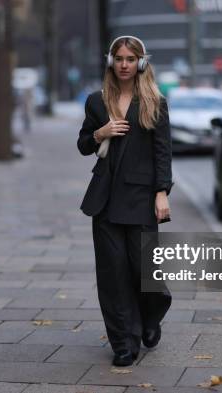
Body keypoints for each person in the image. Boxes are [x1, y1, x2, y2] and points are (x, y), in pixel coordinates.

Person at [77, 36, 173, 367]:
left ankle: (150, 319)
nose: (123, 64)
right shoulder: (95, 101)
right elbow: (83, 144)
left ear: (141, 63)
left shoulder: (155, 103)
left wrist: (162, 192)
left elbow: (163, 151)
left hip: (142, 199)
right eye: (118, 58)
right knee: (113, 276)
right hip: (105, 201)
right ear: (110, 62)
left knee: (146, 274)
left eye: (130, 58)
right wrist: (99, 133)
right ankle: (123, 344)